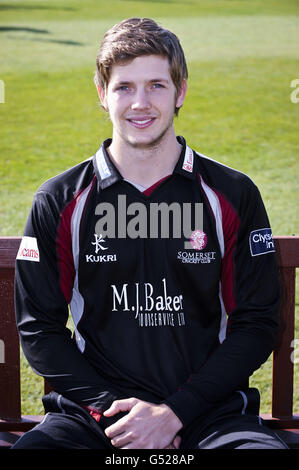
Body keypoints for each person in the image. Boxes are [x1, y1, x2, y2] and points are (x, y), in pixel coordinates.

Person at [12, 17, 287, 450]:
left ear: (181, 91)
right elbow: (39, 329)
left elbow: (255, 324)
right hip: (93, 416)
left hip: (209, 412)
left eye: (157, 85)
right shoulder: (60, 199)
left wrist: (176, 412)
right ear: (103, 95)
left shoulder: (231, 194)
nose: (141, 103)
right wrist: (117, 411)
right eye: (125, 87)